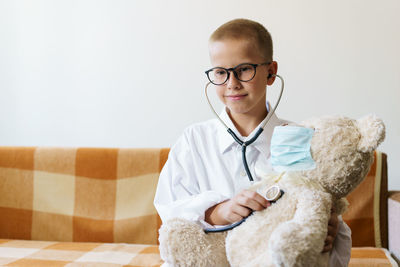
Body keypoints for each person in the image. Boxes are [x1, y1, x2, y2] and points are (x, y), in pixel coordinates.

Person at [154, 18, 351, 266]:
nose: (232, 83)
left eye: (244, 69)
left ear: (271, 72)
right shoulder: (194, 141)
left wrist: (328, 231)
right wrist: (217, 212)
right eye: (220, 72)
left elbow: (322, 209)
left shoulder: (299, 139)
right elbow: (170, 215)